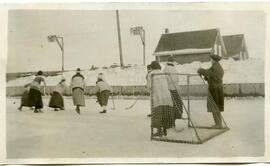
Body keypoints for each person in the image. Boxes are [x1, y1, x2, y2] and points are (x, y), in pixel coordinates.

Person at [147, 61, 174, 137]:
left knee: (157, 114)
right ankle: (165, 130)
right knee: (165, 113)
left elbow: (149, 87)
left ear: (152, 67)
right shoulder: (163, 73)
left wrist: (148, 89)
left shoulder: (151, 74)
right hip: (166, 97)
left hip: (157, 98)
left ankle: (159, 131)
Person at [197, 53, 224, 128]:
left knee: (214, 106)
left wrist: (201, 70)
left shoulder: (215, 67)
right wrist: (206, 77)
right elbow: (213, 77)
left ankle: (218, 124)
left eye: (211, 59)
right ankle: (218, 123)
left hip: (215, 90)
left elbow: (209, 72)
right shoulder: (218, 67)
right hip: (217, 89)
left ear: (214, 60)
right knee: (216, 107)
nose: (210, 61)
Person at [163, 56, 183, 124]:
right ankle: (178, 118)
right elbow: (177, 79)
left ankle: (170, 120)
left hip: (170, 89)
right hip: (176, 89)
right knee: (177, 104)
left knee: (170, 105)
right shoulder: (175, 69)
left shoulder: (166, 68)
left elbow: (164, 79)